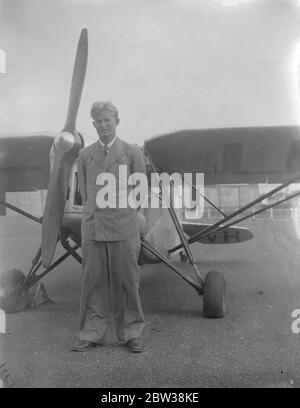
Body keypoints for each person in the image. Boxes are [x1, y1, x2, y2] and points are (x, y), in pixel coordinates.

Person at [71, 101, 146, 353]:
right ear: (93, 124)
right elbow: (84, 191)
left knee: (127, 282)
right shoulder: (84, 155)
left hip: (124, 227)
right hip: (93, 228)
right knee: (92, 282)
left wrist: (123, 213)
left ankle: (131, 333)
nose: (103, 125)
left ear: (117, 122)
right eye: (99, 121)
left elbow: (139, 192)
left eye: (108, 120)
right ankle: (91, 333)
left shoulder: (132, 152)